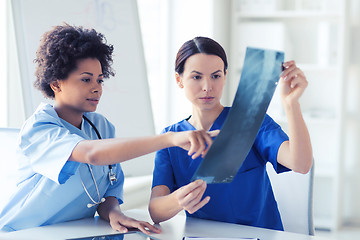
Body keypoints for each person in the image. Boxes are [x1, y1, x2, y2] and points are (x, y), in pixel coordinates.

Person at [0, 25, 218, 233]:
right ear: (56, 84)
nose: (96, 88)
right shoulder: (39, 129)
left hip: (77, 233)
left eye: (100, 80)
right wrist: (169, 139)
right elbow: (92, 154)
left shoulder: (102, 127)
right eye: (86, 79)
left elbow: (107, 193)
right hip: (24, 233)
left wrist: (114, 213)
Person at [148, 36, 313, 231]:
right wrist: (179, 200)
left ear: (225, 76)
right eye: (196, 77)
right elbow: (155, 211)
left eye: (216, 76)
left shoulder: (251, 120)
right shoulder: (171, 138)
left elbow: (301, 164)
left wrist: (291, 103)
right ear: (179, 80)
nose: (207, 87)